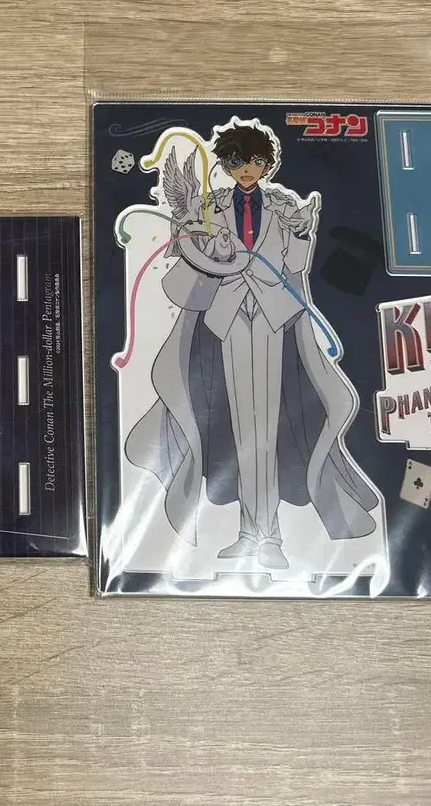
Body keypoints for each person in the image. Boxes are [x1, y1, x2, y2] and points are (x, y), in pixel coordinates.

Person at [125, 120, 381, 570]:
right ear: (226, 165)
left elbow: (296, 265)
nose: (247, 169)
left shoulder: (282, 207)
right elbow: (189, 256)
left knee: (267, 432)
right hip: (225, 320)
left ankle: (267, 538)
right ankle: (253, 535)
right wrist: (198, 235)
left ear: (267, 164)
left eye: (256, 161)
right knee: (244, 433)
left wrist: (304, 231)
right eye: (237, 161)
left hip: (273, 319)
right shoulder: (211, 207)